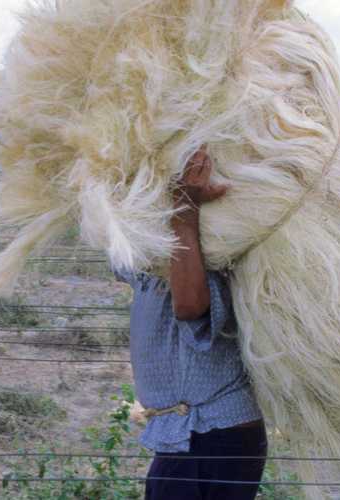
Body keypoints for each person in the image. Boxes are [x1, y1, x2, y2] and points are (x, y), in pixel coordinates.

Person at [114, 147, 267, 500]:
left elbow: (189, 305)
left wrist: (185, 209)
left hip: (213, 434)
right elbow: (118, 254)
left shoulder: (210, 246)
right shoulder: (155, 253)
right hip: (188, 433)